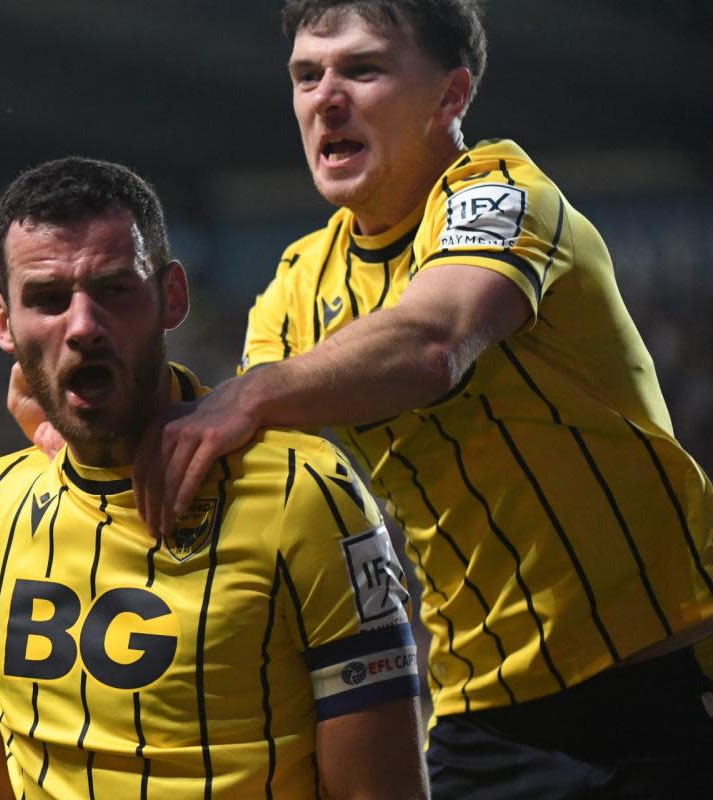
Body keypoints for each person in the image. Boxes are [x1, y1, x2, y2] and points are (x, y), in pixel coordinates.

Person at [106, 1, 713, 796]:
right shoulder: (294, 291)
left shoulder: (505, 192)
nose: (326, 97)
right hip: (480, 719)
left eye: (363, 68)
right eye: (305, 76)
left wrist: (251, 393)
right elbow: (239, 458)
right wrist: (99, 423)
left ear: (451, 96)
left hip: (665, 684)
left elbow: (436, 340)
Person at [0, 156, 429, 799]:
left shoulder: (304, 496)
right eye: (49, 300)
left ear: (172, 296)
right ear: (4, 322)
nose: (82, 326)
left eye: (114, 289)